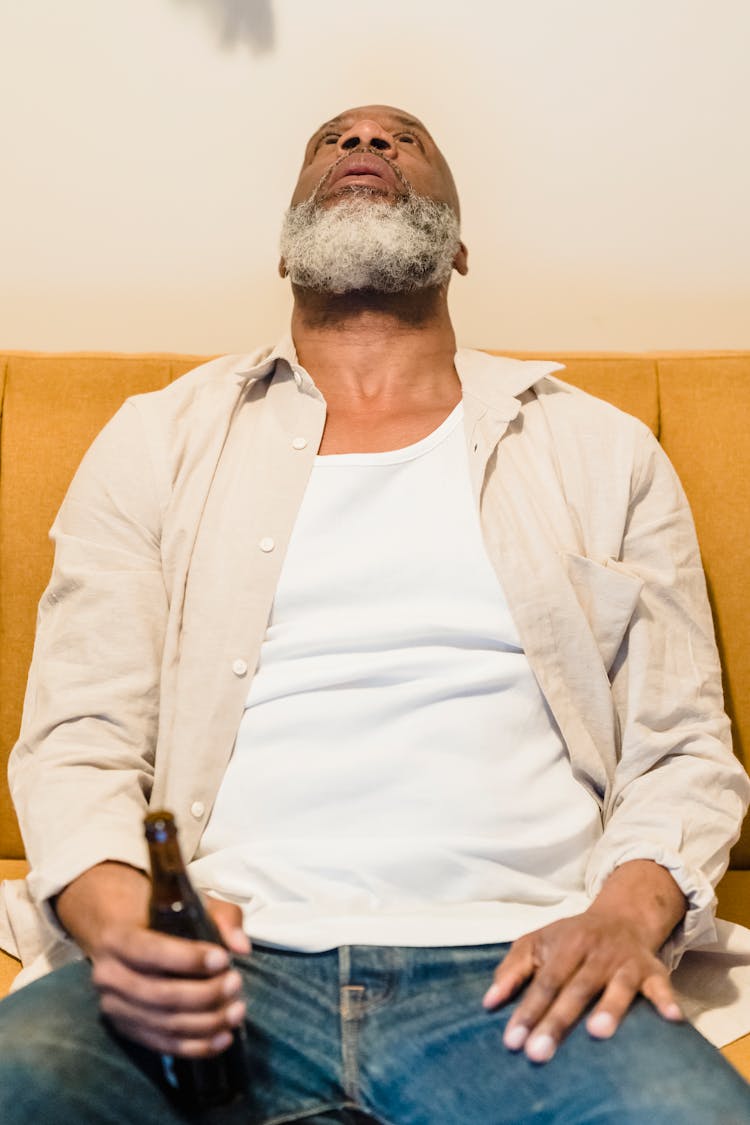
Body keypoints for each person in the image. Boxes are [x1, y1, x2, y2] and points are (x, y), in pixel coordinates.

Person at [0, 103, 749, 1124]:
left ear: (462, 245)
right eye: (333, 140)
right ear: (284, 243)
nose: (364, 145)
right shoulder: (157, 441)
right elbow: (78, 737)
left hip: (523, 965)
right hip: (226, 961)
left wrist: (625, 916)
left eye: (402, 138)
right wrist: (123, 923)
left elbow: (681, 746)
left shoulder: (600, 450)